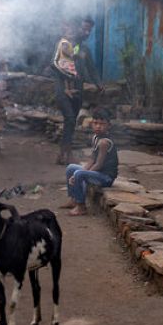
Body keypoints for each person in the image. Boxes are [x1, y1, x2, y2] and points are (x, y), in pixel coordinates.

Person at [61, 110, 118, 216]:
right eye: (95, 123)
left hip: (106, 177)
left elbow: (98, 164)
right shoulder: (96, 138)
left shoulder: (104, 142)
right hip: (98, 173)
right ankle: (73, 199)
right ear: (92, 124)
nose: (98, 126)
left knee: (78, 174)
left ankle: (81, 206)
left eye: (102, 124)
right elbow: (92, 160)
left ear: (108, 126)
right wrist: (81, 171)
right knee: (71, 168)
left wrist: (80, 173)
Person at [51, 21, 81, 165]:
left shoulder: (71, 46)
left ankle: (64, 154)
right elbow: (55, 64)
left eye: (72, 29)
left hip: (71, 89)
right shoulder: (62, 44)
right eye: (67, 28)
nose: (70, 31)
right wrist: (68, 79)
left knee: (71, 121)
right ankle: (66, 154)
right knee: (70, 119)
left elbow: (70, 66)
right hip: (62, 90)